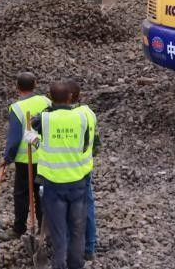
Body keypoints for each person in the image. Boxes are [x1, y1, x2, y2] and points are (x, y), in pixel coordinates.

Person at [27, 80, 92, 269]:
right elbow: (86, 145)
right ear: (70, 97)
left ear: (50, 98)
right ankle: (76, 264)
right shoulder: (82, 118)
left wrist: (35, 141)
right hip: (77, 182)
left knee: (58, 231)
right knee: (77, 229)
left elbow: (33, 128)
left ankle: (59, 265)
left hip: (54, 185)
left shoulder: (45, 120)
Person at [2, 73, 50, 238]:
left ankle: (19, 228)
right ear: (35, 85)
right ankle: (44, 229)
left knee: (21, 195)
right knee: (41, 193)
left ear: (17, 87)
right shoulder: (46, 101)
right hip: (44, 157)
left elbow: (14, 139)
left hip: (25, 161)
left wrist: (7, 157)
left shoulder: (16, 108)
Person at [72, 80, 100, 260]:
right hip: (84, 169)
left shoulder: (61, 119)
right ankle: (89, 248)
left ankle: (71, 250)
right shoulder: (88, 113)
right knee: (87, 207)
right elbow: (96, 144)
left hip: (65, 174)